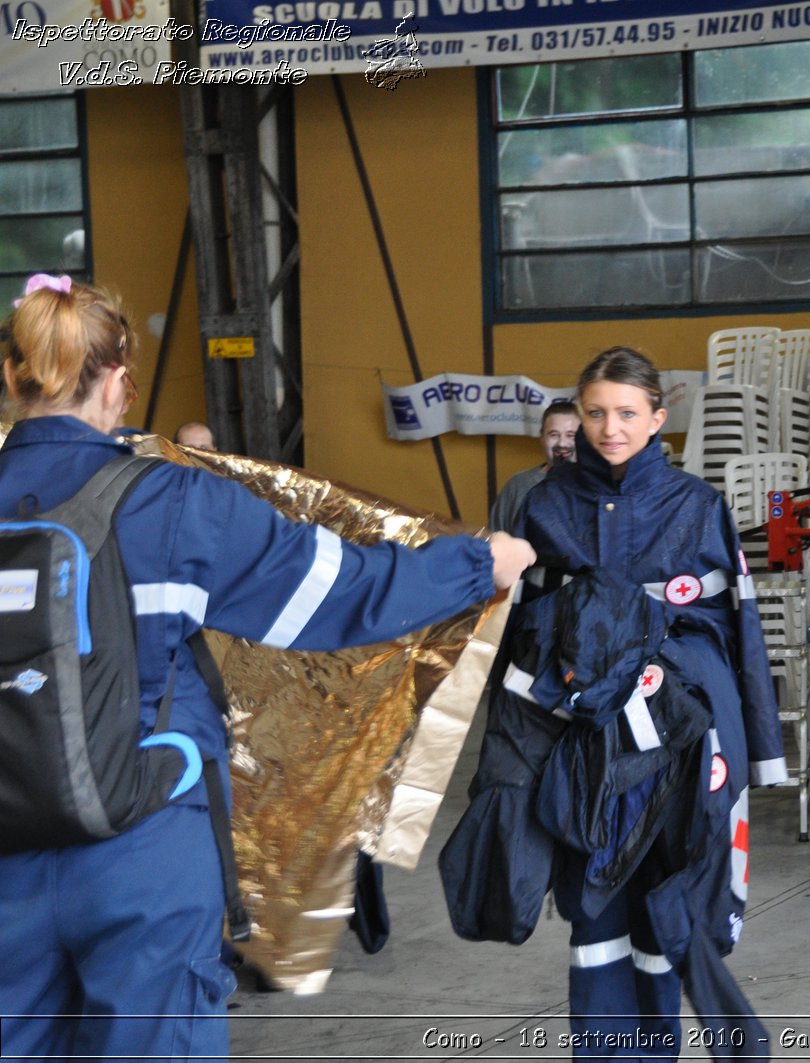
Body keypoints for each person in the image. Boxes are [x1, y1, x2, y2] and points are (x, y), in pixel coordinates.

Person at [0, 275, 536, 1061]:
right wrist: (476, 564)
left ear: (12, 379)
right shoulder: (170, 501)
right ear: (117, 383)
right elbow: (342, 591)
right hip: (140, 854)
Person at [450, 346, 786, 1058]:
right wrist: (504, 754)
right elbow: (513, 635)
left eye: (627, 413)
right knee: (593, 909)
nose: (610, 428)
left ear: (658, 417)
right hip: (582, 750)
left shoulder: (699, 508)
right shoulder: (546, 503)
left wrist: (757, 748)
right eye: (597, 413)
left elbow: (739, 629)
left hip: (676, 749)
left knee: (674, 903)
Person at [487, 398, 579, 533]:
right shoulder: (518, 485)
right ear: (542, 438)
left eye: (571, 435)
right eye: (554, 435)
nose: (562, 443)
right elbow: (495, 541)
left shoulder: (597, 486)